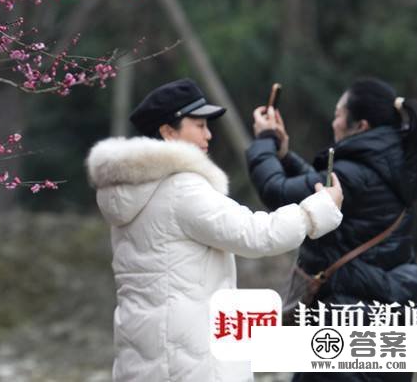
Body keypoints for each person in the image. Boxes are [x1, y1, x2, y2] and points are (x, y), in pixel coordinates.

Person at [86, 78, 344, 382]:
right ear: (169, 131)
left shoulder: (131, 191)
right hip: (192, 363)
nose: (208, 135)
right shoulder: (181, 188)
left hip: (144, 358)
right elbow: (256, 235)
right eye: (199, 125)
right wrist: (318, 208)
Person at [246, 78, 417, 382]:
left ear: (361, 125)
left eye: (339, 114)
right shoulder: (395, 165)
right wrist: (285, 157)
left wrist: (264, 141)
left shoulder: (356, 172)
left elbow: (276, 191)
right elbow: (325, 191)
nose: (334, 122)